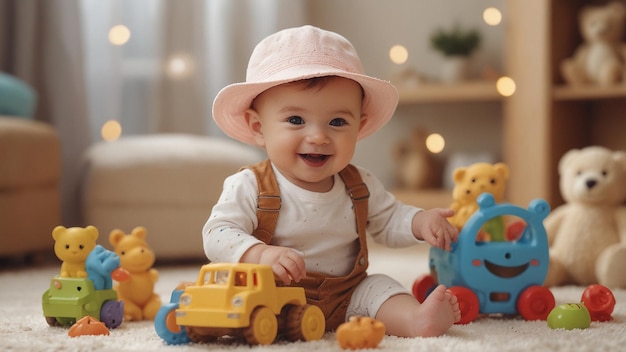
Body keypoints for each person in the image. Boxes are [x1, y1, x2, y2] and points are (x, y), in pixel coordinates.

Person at [203, 25, 460, 338]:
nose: (318, 136)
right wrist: (259, 254)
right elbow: (217, 234)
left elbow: (389, 219)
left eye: (338, 122)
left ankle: (415, 320)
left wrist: (420, 221)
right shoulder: (250, 185)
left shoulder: (359, 184)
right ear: (258, 127)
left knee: (381, 286)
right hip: (276, 296)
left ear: (359, 127)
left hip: (348, 292)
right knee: (252, 316)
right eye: (296, 120)